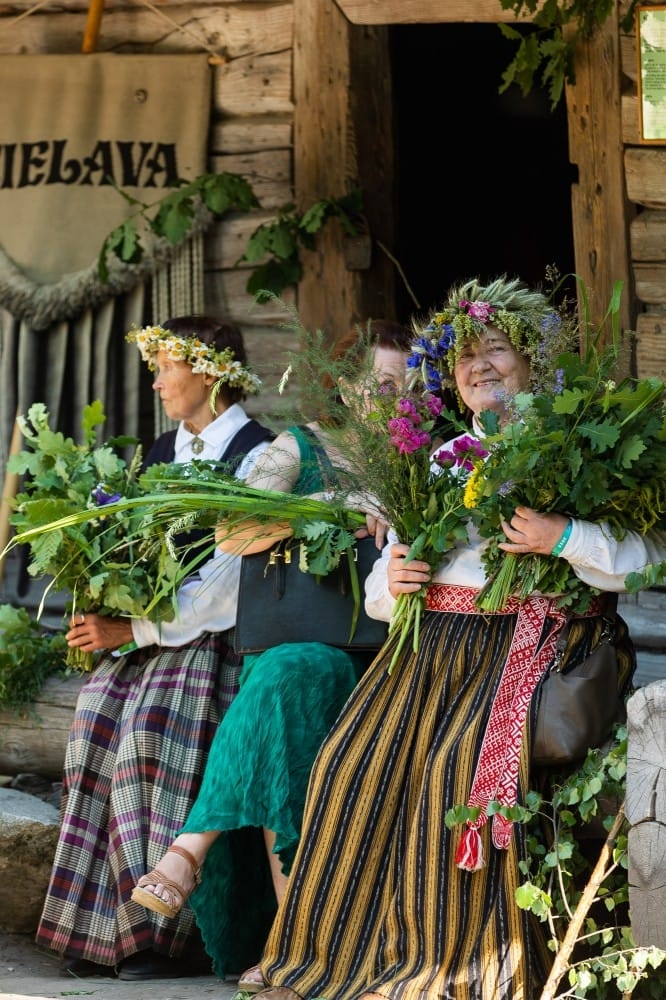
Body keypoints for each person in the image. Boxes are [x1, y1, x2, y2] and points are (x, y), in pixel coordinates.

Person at [244, 277, 666, 1000]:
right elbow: (384, 592)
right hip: (429, 654)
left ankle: (443, 970)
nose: (479, 367)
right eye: (465, 357)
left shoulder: (573, 442)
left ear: (531, 359)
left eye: (495, 350)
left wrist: (562, 535)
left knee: (454, 770)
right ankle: (333, 956)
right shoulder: (439, 462)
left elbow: (648, 553)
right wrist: (395, 579)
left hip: (530, 647)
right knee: (348, 762)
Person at [128, 318, 415, 984]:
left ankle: (189, 856)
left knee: (289, 681)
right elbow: (233, 532)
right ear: (347, 387)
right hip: (293, 639)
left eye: (402, 386)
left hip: (377, 654)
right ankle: (292, 945)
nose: (388, 398)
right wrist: (335, 501)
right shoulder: (295, 448)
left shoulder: (422, 461)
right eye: (376, 384)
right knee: (288, 679)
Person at [35, 315, 275, 981]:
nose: (157, 380)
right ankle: (101, 930)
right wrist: (103, 598)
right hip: (151, 641)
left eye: (167, 365)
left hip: (216, 646)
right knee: (91, 722)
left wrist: (133, 630)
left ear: (210, 370)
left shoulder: (259, 456)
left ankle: (166, 935)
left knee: (151, 732)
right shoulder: (162, 454)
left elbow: (227, 592)